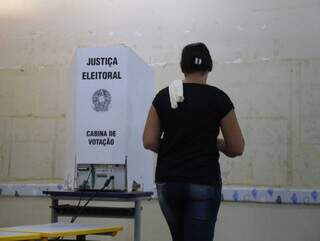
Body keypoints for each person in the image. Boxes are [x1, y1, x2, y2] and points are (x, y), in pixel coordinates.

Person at [143, 42, 245, 241]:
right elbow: (237, 147)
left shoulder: (164, 97)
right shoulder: (219, 98)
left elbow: (148, 141)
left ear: (183, 67)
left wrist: (175, 146)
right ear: (208, 67)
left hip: (168, 181)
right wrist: (214, 143)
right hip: (203, 181)